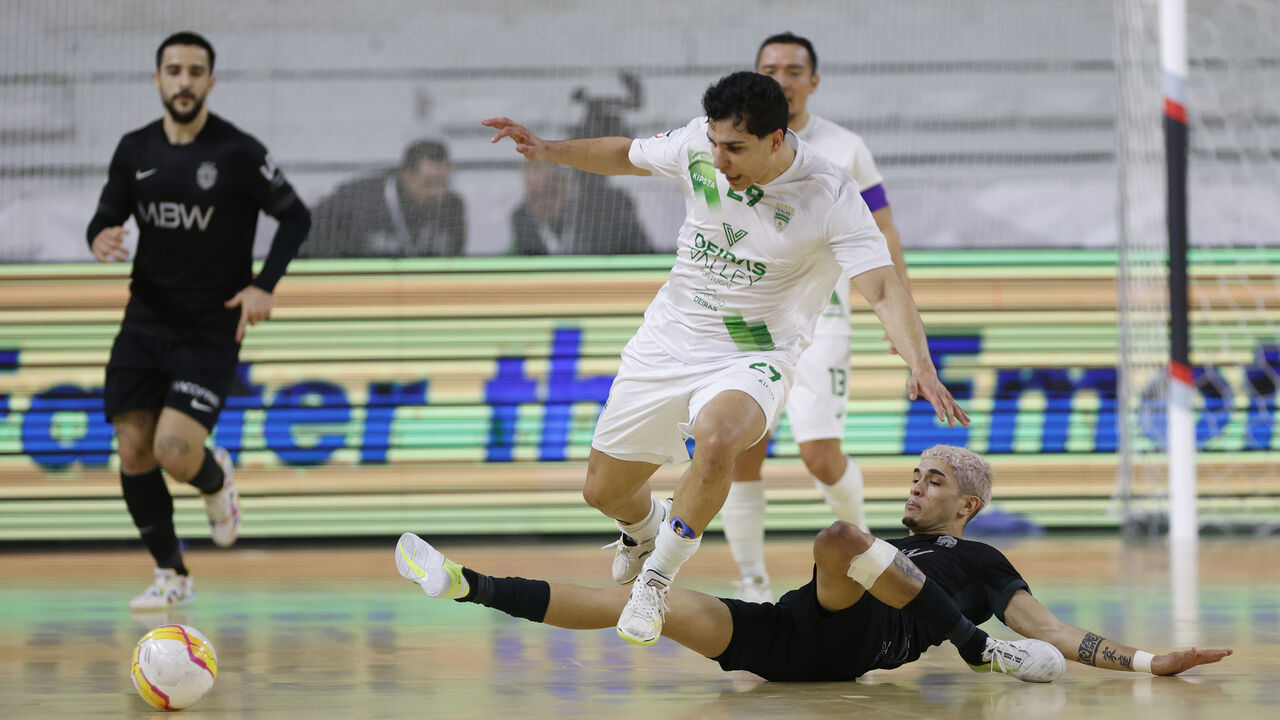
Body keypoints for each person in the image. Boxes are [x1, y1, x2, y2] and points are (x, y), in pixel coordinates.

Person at [483, 70, 969, 646]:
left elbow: (884, 287)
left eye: (734, 148)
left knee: (718, 439)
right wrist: (546, 150)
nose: (718, 158)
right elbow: (625, 153)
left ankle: (655, 582)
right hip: (669, 339)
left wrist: (921, 363)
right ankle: (643, 529)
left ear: (775, 139)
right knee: (603, 491)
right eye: (714, 143)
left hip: (756, 352)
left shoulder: (829, 193)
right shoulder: (699, 146)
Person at [395, 446, 1232, 682]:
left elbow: (1051, 628)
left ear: (965, 505)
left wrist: (1153, 661)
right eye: (914, 474)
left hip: (867, 634)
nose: (917, 486)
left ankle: (980, 653)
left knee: (839, 537)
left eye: (933, 481)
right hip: (793, 636)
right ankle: (470, 585)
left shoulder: (977, 559)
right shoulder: (894, 539)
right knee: (641, 607)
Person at [87, 31, 311, 609]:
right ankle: (173, 575)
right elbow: (105, 218)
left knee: (173, 450)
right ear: (157, 79)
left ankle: (215, 481)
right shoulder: (134, 150)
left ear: (210, 82)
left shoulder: (237, 152)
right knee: (133, 450)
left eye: (195, 72)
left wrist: (265, 284)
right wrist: (100, 237)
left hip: (211, 327)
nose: (183, 81)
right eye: (173, 70)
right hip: (144, 320)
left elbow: (295, 217)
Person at [725, 32, 912, 603]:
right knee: (740, 450)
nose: (781, 76)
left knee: (820, 454)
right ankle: (753, 583)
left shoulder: (844, 147)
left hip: (822, 317)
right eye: (769, 67)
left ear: (813, 80)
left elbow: (881, 228)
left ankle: (865, 554)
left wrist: (898, 309)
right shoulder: (726, 141)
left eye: (793, 68)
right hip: (749, 320)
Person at [302, 139, 466, 257]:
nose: (438, 192)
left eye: (444, 183)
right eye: (429, 183)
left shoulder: (452, 207)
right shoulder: (356, 200)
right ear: (406, 176)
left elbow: (454, 262)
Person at [509, 162, 652, 255]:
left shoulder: (608, 208)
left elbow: (644, 256)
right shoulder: (522, 220)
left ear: (565, 184)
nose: (542, 203)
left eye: (549, 192)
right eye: (534, 197)